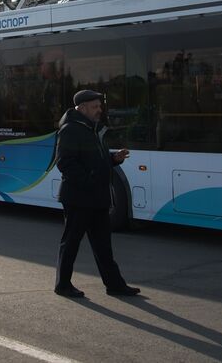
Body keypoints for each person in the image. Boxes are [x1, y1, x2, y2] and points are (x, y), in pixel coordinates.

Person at [53, 89, 140, 298]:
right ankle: (62, 285)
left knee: (103, 245)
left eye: (99, 106)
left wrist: (113, 159)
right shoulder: (71, 129)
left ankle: (115, 285)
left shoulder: (92, 129)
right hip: (78, 198)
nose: (99, 110)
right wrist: (89, 180)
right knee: (71, 243)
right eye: (95, 107)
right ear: (82, 108)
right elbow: (65, 163)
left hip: (97, 197)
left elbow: (94, 159)